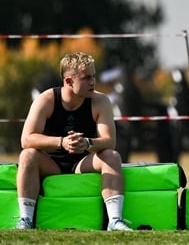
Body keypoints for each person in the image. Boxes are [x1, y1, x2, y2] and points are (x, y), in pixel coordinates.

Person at [15, 52, 132, 231]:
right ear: (69, 81)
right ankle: (25, 220)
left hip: (82, 163)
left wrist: (87, 143)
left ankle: (115, 220)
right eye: (86, 78)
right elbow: (26, 139)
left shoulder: (100, 101)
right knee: (27, 155)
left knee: (111, 156)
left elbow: (109, 141)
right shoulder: (46, 100)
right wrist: (61, 142)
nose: (93, 82)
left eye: (93, 76)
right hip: (51, 163)